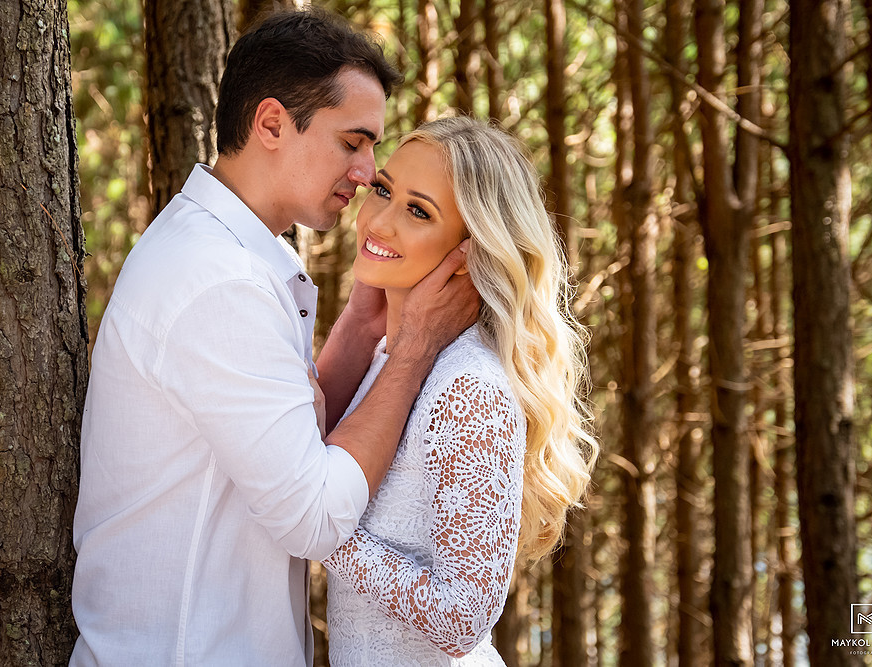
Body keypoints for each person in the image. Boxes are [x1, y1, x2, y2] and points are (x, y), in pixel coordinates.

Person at [69, 10, 478, 666]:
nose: (368, 170)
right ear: (270, 124)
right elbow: (314, 513)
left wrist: (363, 324)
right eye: (353, 142)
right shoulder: (216, 278)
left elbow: (291, 437)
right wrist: (415, 348)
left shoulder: (241, 256)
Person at [318, 117, 599, 665]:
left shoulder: (470, 386)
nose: (379, 221)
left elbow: (462, 616)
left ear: (469, 251)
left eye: (419, 211)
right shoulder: (387, 360)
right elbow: (308, 450)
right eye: (383, 190)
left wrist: (320, 525)